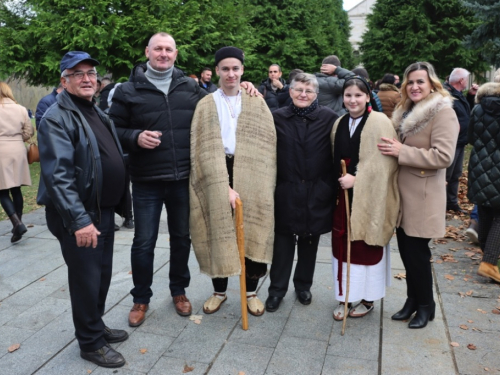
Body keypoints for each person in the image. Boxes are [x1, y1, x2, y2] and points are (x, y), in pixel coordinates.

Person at [109, 33, 258, 326]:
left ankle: (179, 292)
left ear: (175, 54)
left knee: (181, 239)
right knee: (143, 241)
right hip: (147, 179)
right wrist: (135, 136)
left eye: (168, 49)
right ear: (147, 51)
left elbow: (221, 103)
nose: (163, 54)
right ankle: (141, 298)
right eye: (158, 49)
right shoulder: (127, 90)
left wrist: (244, 88)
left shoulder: (189, 87)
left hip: (183, 179)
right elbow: (112, 129)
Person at [37, 51, 129, 367]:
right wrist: (79, 221)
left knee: (100, 276)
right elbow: (58, 176)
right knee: (85, 279)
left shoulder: (95, 112)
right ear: (64, 80)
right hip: (80, 216)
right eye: (78, 74)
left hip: (100, 212)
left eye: (91, 72)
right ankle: (90, 343)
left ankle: (96, 324)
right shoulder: (56, 117)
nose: (87, 78)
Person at [190, 46, 276, 317]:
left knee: (252, 228)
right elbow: (200, 147)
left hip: (253, 170)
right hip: (217, 167)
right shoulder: (206, 103)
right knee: (219, 229)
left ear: (242, 71)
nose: (230, 74)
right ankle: (219, 291)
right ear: (217, 70)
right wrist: (221, 182)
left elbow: (268, 141)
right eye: (225, 69)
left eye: (235, 69)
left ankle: (250, 291)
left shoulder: (256, 100)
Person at [378, 62, 459, 329]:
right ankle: (413, 301)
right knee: (407, 253)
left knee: (418, 255)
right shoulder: (406, 111)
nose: (414, 86)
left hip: (423, 198)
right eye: (410, 82)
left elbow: (444, 156)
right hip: (403, 197)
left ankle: (426, 306)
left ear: (432, 85)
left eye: (420, 82)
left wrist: (402, 152)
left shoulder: (443, 113)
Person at [265, 73, 338, 312]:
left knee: (309, 241)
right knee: (283, 243)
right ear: (290, 91)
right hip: (285, 190)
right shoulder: (277, 117)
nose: (303, 95)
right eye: (298, 90)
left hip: (316, 191)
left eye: (308, 91)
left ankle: (304, 285)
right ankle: (276, 290)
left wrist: (329, 185)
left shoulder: (328, 118)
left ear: (316, 94)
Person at [330, 76, 399, 321]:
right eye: (348, 95)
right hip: (343, 197)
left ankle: (367, 298)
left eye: (358, 95)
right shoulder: (339, 122)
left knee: (365, 247)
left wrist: (357, 179)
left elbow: (386, 163)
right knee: (342, 246)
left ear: (368, 97)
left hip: (370, 198)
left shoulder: (380, 121)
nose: (352, 100)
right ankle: (345, 296)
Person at [467, 68, 500, 282]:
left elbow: (471, 137)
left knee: (486, 211)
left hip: (479, 167)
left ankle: (487, 257)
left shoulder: (478, 107)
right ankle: (489, 262)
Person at [0, 82, 34, 243]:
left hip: (1, 150)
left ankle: (17, 223)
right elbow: (28, 131)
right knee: (16, 189)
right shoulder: (20, 109)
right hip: (18, 149)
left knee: (2, 191)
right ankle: (18, 225)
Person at [444, 68, 473, 213]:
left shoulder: (458, 94)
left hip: (460, 141)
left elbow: (465, 113)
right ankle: (441, 204)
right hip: (451, 141)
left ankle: (452, 202)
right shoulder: (447, 95)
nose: (467, 82)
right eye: (466, 79)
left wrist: (472, 96)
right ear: (461, 81)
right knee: (446, 175)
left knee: (456, 174)